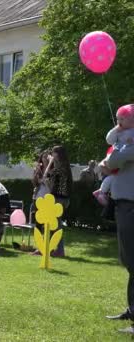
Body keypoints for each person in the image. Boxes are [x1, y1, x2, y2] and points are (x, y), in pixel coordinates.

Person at [101, 106, 134, 334]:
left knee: (133, 260)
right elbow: (113, 158)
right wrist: (109, 161)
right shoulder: (124, 137)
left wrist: (108, 162)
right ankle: (132, 309)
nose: (121, 121)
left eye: (125, 118)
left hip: (131, 205)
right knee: (129, 260)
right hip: (124, 204)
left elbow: (114, 161)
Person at [42, 145, 73, 257]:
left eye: (53, 153)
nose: (51, 155)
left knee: (55, 226)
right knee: (53, 225)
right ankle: (49, 249)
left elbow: (46, 176)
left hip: (58, 199)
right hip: (62, 199)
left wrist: (49, 162)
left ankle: (59, 250)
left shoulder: (60, 168)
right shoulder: (64, 167)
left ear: (58, 154)